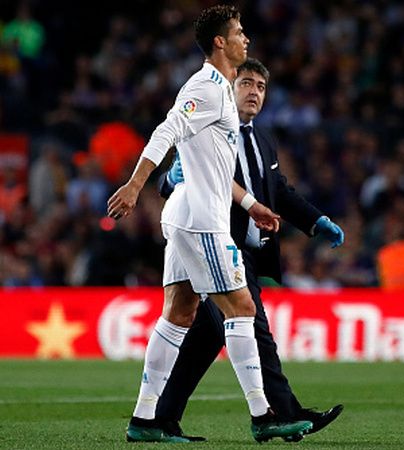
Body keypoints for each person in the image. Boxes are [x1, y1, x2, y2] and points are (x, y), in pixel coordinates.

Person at [106, 5, 312, 443]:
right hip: (202, 222)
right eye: (239, 33)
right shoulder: (209, 87)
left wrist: (252, 203)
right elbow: (168, 130)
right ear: (220, 42)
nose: (246, 40)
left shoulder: (217, 88)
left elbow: (210, 163)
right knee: (242, 307)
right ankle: (264, 415)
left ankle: (145, 420)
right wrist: (135, 183)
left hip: (185, 216)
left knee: (179, 313)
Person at [154, 57, 345, 441]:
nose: (254, 91)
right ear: (229, 88)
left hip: (250, 251)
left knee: (205, 339)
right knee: (254, 326)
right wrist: (168, 179)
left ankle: (159, 417)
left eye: (260, 85)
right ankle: (281, 414)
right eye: (247, 83)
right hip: (218, 245)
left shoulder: (263, 140)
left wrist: (315, 220)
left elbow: (281, 193)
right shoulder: (207, 128)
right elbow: (174, 177)